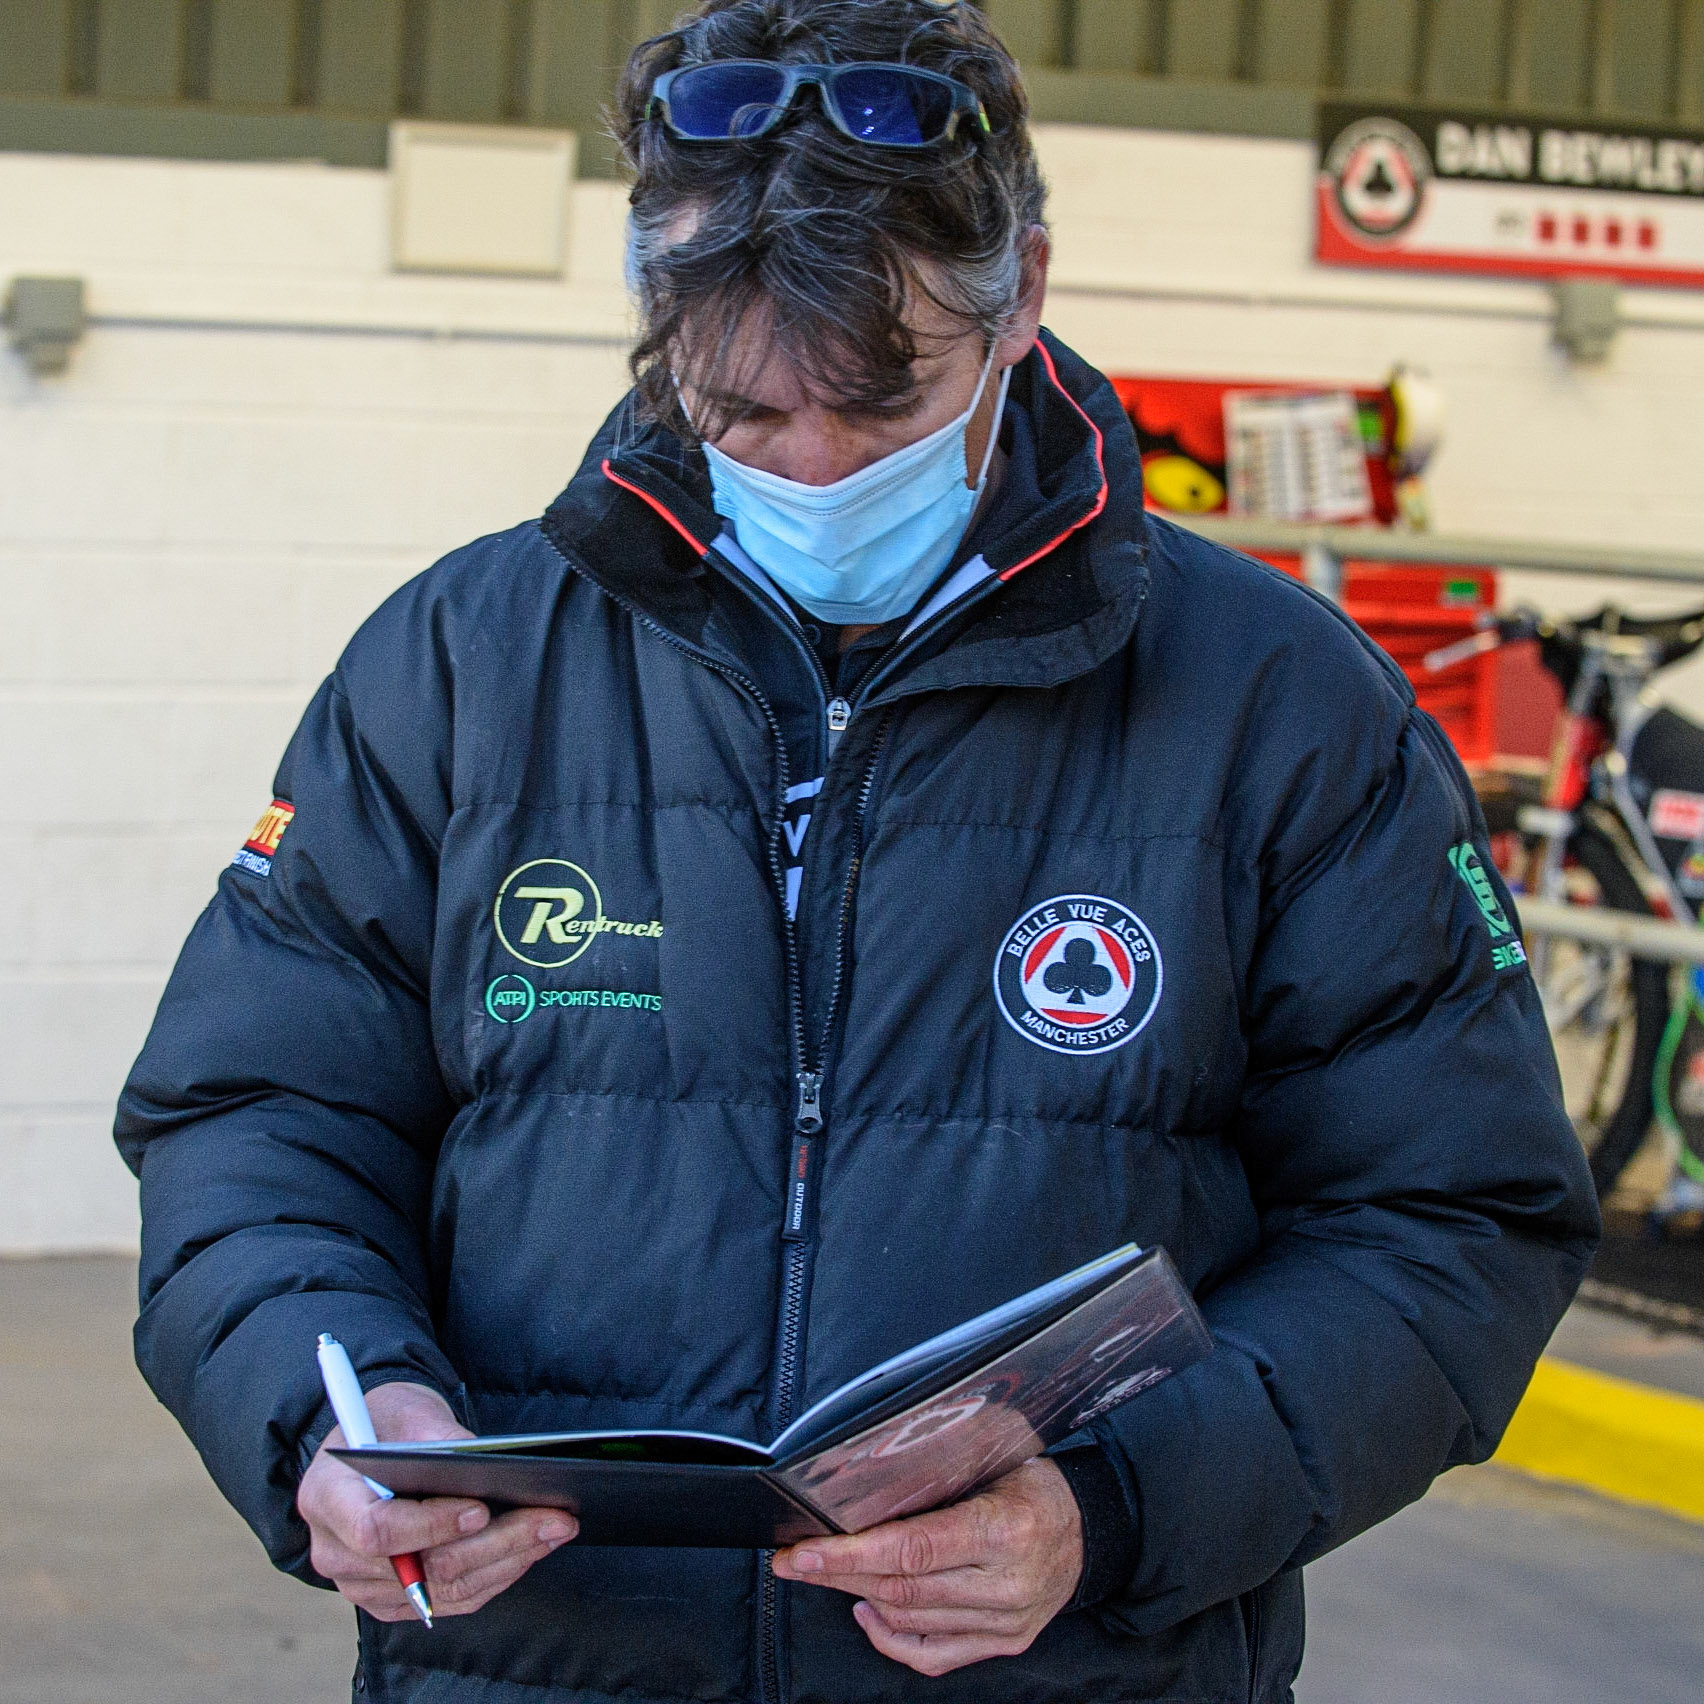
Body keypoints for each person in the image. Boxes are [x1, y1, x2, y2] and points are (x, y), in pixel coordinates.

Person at [116, 3, 1599, 1701]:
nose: (816, 468)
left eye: (887, 404)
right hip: (536, 1669)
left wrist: (1114, 1510)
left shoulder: (1281, 708)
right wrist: (333, 1414)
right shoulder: (457, 671)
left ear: (1021, 295)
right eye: (743, 409)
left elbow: (1454, 1214)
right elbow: (256, 1116)